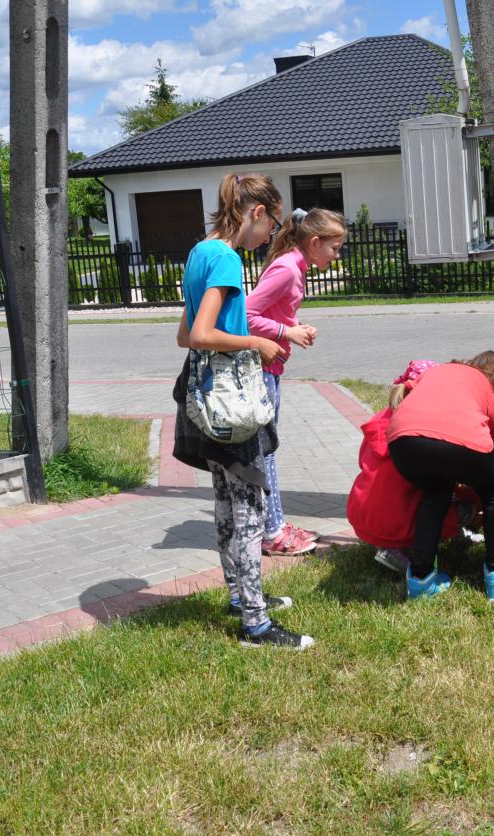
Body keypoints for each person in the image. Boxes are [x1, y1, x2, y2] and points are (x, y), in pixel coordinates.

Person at [173, 173, 313, 650]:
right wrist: (259, 341)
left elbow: (184, 335)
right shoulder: (228, 259)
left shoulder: (199, 252)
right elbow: (202, 334)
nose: (269, 236)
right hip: (235, 405)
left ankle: (241, 597)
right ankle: (255, 625)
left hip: (204, 399)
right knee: (250, 511)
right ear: (257, 212)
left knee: (226, 506)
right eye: (272, 225)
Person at [244, 207, 346, 557]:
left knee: (267, 449)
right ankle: (273, 532)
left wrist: (293, 325)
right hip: (263, 369)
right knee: (266, 451)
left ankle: (274, 524)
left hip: (271, 367)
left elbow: (272, 312)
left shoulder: (293, 266)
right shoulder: (288, 269)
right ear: (314, 242)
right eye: (334, 248)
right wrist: (287, 331)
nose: (337, 255)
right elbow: (244, 315)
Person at [387, 351, 494, 600]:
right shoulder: (486, 383)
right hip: (460, 442)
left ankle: (421, 581)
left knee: (435, 493)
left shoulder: (440, 370)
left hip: (402, 442)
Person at [345, 359, 476, 573]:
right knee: (463, 506)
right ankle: (407, 549)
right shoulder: (423, 432)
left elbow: (363, 461)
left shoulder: (379, 421)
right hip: (396, 523)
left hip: (361, 516)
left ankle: (389, 546)